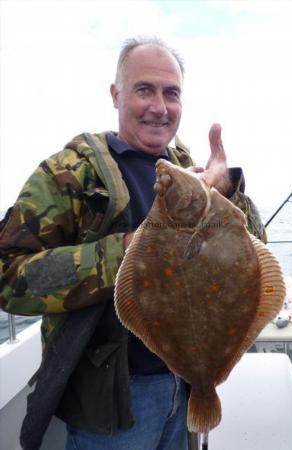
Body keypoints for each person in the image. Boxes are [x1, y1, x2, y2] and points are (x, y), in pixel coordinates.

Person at [0, 36, 266, 450]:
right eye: (145, 89)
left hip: (183, 383)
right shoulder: (72, 172)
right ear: (116, 94)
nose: (159, 107)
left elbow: (255, 251)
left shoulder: (186, 168)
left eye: (171, 93)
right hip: (113, 405)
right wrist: (127, 251)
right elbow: (7, 275)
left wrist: (228, 191)